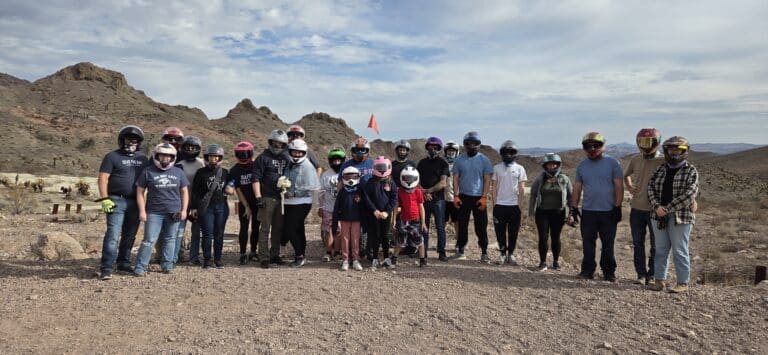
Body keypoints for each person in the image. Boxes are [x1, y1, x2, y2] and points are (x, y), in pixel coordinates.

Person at [647, 136, 699, 293]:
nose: (674, 153)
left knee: (680, 250)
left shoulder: (691, 170)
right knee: (660, 249)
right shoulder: (661, 169)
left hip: (681, 217)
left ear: (685, 151)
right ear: (666, 151)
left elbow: (690, 193)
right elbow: (650, 188)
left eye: (678, 150)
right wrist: (657, 206)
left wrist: (667, 208)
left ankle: (683, 282)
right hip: (658, 215)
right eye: (671, 149)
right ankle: (659, 280)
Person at [97, 125, 149, 280]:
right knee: (113, 234)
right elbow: (103, 178)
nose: (131, 142)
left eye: (135, 140)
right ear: (121, 140)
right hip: (115, 199)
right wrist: (105, 199)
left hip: (135, 201)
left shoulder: (143, 158)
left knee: (130, 235)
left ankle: (123, 263)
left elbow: (148, 178)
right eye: (128, 139)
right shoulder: (112, 156)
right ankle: (106, 267)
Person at [570, 132, 624, 282]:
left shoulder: (613, 163)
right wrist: (574, 207)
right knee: (588, 242)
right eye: (588, 146)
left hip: (608, 211)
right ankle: (587, 271)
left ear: (603, 146)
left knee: (608, 243)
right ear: (584, 148)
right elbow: (577, 187)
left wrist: (618, 206)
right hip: (588, 211)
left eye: (596, 145)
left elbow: (619, 186)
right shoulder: (582, 165)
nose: (592, 148)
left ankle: (609, 272)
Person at [133, 143, 189, 276]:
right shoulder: (148, 171)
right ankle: (140, 267)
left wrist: (184, 210)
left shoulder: (178, 172)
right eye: (163, 155)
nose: (165, 158)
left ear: (172, 157)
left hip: (173, 211)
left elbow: (184, 192)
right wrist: (142, 211)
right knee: (149, 240)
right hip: (154, 212)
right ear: (157, 156)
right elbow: (140, 192)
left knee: (170, 239)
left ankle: (167, 265)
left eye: (169, 156)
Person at [624, 128, 665, 285]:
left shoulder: (663, 160)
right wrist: (630, 187)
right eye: (642, 142)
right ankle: (641, 275)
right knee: (638, 243)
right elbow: (626, 175)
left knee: (656, 245)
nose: (646, 145)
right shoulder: (635, 159)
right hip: (637, 207)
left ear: (657, 142)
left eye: (649, 142)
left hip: (656, 209)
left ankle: (653, 274)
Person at [252, 129, 291, 268]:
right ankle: (264, 257)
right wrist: (258, 197)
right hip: (267, 197)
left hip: (281, 198)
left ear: (284, 145)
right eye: (274, 142)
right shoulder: (262, 158)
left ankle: (275, 255)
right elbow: (255, 178)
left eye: (280, 143)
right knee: (265, 229)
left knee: (278, 229)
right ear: (270, 142)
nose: (277, 146)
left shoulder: (287, 158)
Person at [452, 131, 493, 262]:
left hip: (478, 197)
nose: (471, 146)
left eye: (474, 143)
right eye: (469, 143)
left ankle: (484, 252)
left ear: (478, 144)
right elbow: (455, 178)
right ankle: (461, 250)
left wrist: (484, 197)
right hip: (463, 196)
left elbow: (487, 179)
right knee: (462, 225)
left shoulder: (484, 160)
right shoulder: (459, 159)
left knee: (481, 225)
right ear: (465, 144)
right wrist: (456, 195)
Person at [528, 153, 573, 271]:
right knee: (543, 237)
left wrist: (571, 213)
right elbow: (533, 195)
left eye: (554, 164)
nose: (551, 167)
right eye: (549, 164)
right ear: (545, 166)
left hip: (559, 212)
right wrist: (531, 212)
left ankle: (556, 262)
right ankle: (542, 262)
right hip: (542, 212)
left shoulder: (564, 179)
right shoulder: (540, 178)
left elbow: (570, 197)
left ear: (558, 165)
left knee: (556, 237)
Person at [282, 138, 320, 267]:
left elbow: (312, 186)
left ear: (304, 153)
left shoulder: (307, 166)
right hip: (289, 201)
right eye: (294, 152)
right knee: (298, 228)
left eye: (300, 152)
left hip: (302, 201)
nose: (297, 154)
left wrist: (294, 192)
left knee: (290, 228)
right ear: (290, 152)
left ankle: (299, 255)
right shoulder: (289, 164)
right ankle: (301, 255)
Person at [190, 144, 229, 269]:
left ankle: (218, 259)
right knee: (207, 234)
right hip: (206, 208)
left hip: (221, 206)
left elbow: (232, 183)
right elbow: (195, 191)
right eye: (211, 157)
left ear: (220, 158)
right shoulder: (201, 172)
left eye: (216, 157)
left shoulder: (224, 172)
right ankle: (207, 259)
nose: (214, 159)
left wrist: (231, 187)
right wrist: (194, 207)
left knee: (219, 234)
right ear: (206, 157)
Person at [491, 140, 527, 266]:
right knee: (499, 231)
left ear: (515, 154)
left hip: (514, 206)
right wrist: (495, 204)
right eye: (505, 152)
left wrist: (519, 205)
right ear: (501, 153)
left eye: (511, 152)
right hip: (500, 205)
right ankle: (502, 253)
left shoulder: (520, 168)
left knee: (513, 232)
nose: (508, 155)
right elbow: (494, 187)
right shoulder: (496, 168)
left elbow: (522, 188)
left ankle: (510, 254)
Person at [417, 137, 450, 261]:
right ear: (427, 147)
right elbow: (416, 181)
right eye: (430, 146)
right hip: (423, 200)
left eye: (435, 147)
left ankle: (441, 252)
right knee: (423, 225)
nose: (433, 148)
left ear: (439, 148)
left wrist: (427, 191)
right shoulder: (421, 163)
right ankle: (423, 251)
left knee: (440, 226)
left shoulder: (443, 163)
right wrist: (424, 193)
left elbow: (443, 183)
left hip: (438, 200)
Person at [227, 141, 260, 265]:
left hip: (257, 201)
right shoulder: (234, 170)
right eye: (240, 154)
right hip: (243, 202)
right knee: (244, 228)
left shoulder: (256, 165)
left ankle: (253, 251)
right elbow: (238, 189)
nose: (243, 156)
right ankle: (242, 253)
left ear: (250, 153)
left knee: (256, 227)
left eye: (246, 153)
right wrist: (246, 206)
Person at [154, 127, 184, 259]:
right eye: (169, 138)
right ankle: (160, 255)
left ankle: (175, 255)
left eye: (176, 139)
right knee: (160, 230)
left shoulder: (184, 157)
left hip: (177, 199)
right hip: (158, 199)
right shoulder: (156, 156)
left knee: (176, 231)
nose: (172, 141)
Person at [362, 156, 397, 269]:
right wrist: (374, 210)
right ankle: (375, 258)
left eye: (383, 167)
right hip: (374, 215)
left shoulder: (391, 182)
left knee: (385, 236)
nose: (382, 169)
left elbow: (393, 198)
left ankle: (387, 258)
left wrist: (387, 212)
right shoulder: (370, 182)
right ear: (374, 167)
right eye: (379, 167)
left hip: (386, 214)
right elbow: (366, 198)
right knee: (375, 236)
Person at [175, 135, 205, 265]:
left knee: (196, 231)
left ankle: (194, 257)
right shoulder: (178, 165)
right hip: (181, 202)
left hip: (197, 201)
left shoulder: (202, 163)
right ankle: (175, 256)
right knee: (179, 230)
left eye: (193, 147)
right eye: (187, 147)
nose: (190, 149)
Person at [392, 166, 428, 267]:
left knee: (419, 240)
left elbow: (421, 207)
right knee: (400, 241)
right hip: (403, 220)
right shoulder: (400, 191)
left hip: (415, 221)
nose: (408, 181)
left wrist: (423, 222)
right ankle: (394, 258)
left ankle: (422, 260)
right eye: (406, 178)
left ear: (416, 178)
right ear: (402, 178)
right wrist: (394, 219)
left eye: (411, 179)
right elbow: (396, 206)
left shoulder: (417, 191)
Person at [332, 167, 365, 271]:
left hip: (357, 219)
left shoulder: (360, 190)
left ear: (358, 177)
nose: (350, 179)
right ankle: (345, 260)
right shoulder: (342, 191)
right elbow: (336, 207)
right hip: (344, 219)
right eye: (348, 176)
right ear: (343, 178)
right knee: (345, 239)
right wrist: (335, 221)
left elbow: (365, 205)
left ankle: (355, 260)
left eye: (353, 176)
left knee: (355, 239)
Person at [318, 146, 346, 261]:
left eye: (339, 160)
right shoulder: (325, 175)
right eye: (334, 160)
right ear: (330, 161)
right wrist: (320, 207)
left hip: (342, 208)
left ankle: (338, 252)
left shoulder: (346, 173)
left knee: (339, 231)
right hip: (328, 208)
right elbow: (320, 192)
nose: (336, 162)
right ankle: (329, 252)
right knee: (329, 231)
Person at [443, 141, 460, 241]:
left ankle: (459, 242)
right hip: (444, 198)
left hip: (456, 197)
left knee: (457, 221)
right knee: (443, 221)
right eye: (448, 151)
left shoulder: (460, 164)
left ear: (456, 152)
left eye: (452, 151)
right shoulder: (442, 163)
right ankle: (442, 242)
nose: (450, 153)